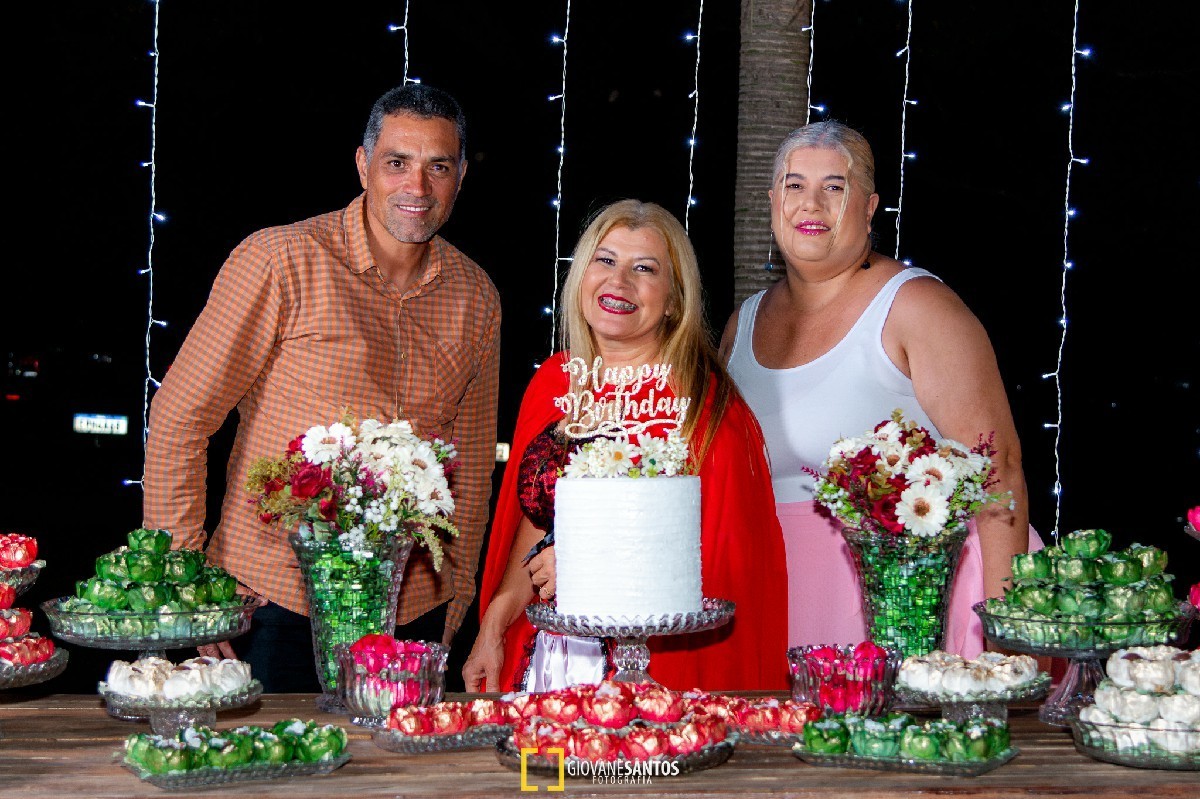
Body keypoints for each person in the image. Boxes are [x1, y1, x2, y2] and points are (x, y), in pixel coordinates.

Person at [142, 83, 501, 692]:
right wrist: (185, 579)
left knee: (396, 760)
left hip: (410, 610)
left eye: (438, 167)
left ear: (460, 176)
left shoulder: (476, 297)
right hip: (270, 603)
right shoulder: (282, 260)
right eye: (397, 162)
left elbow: (468, 465)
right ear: (363, 165)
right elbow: (181, 417)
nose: (417, 187)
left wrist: (457, 597)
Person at [720, 121, 1041, 659]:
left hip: (911, 604)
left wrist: (1009, 640)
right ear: (774, 201)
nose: (811, 204)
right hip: (775, 603)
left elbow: (998, 467)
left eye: (834, 187)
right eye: (795, 185)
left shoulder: (916, 306)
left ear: (869, 208)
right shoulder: (742, 324)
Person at [463, 199, 789, 693]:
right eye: (606, 260)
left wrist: (590, 566)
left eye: (645, 269)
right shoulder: (554, 380)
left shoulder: (704, 405)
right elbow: (537, 522)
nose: (619, 282)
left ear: (674, 299)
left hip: (656, 668)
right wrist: (494, 624)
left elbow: (716, 558)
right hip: (547, 655)